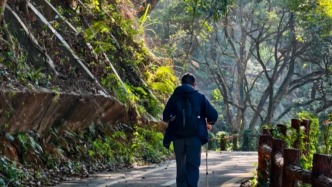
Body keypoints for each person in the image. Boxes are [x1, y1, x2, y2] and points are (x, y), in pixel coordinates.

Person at [163, 73, 218, 187]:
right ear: (194, 84)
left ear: (181, 83)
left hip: (178, 137)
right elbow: (213, 115)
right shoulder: (200, 97)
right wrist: (208, 123)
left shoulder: (175, 96)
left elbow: (165, 116)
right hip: (194, 137)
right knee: (192, 166)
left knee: (181, 166)